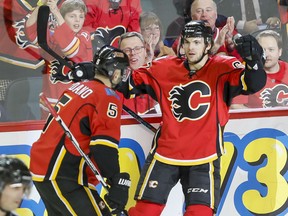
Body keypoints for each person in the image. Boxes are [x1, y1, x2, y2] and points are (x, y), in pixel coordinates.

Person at [116, 20, 266, 215]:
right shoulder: (163, 67)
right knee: (144, 211)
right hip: (166, 154)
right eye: (187, 42)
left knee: (200, 213)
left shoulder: (223, 67)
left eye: (196, 42)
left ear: (208, 44)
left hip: (205, 157)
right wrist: (108, 66)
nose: (190, 47)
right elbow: (126, 85)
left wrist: (254, 62)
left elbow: (254, 84)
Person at [29, 46, 131, 215]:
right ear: (114, 72)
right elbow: (103, 147)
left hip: (50, 170)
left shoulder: (78, 88)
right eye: (122, 71)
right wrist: (116, 180)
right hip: (62, 175)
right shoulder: (107, 96)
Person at [25, 0, 93, 119]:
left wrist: (56, 11)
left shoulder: (84, 36)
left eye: (81, 17)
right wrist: (41, 5)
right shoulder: (55, 35)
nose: (77, 20)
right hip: (51, 102)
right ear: (63, 18)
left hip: (77, 102)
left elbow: (70, 49)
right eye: (72, 16)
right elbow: (31, 30)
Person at [232, 30, 288, 108]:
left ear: (280, 52)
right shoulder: (245, 72)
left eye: (271, 50)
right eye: (262, 50)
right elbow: (236, 106)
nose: (267, 54)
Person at [118, 31, 160, 115]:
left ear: (145, 51)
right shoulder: (114, 86)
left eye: (137, 48)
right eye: (127, 50)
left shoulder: (159, 79)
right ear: (120, 55)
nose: (133, 53)